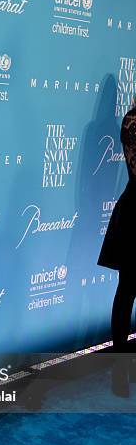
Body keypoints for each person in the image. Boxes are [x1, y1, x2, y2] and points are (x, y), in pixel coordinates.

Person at [98, 105, 136, 353]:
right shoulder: (132, 120)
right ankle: (119, 366)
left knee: (128, 288)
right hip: (134, 212)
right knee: (128, 288)